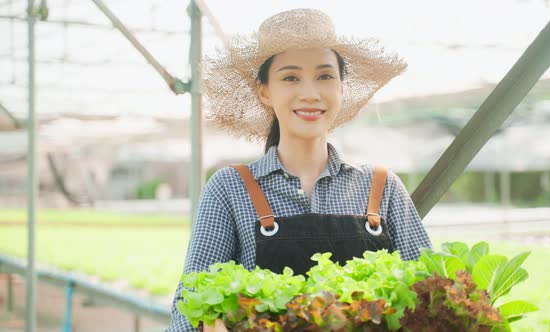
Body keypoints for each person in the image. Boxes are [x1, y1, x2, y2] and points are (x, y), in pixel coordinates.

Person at [167, 8, 432, 332]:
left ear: (341, 87)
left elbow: (429, 295)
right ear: (264, 91)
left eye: (324, 76)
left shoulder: (382, 187)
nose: (310, 93)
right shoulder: (230, 189)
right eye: (291, 77)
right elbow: (187, 310)